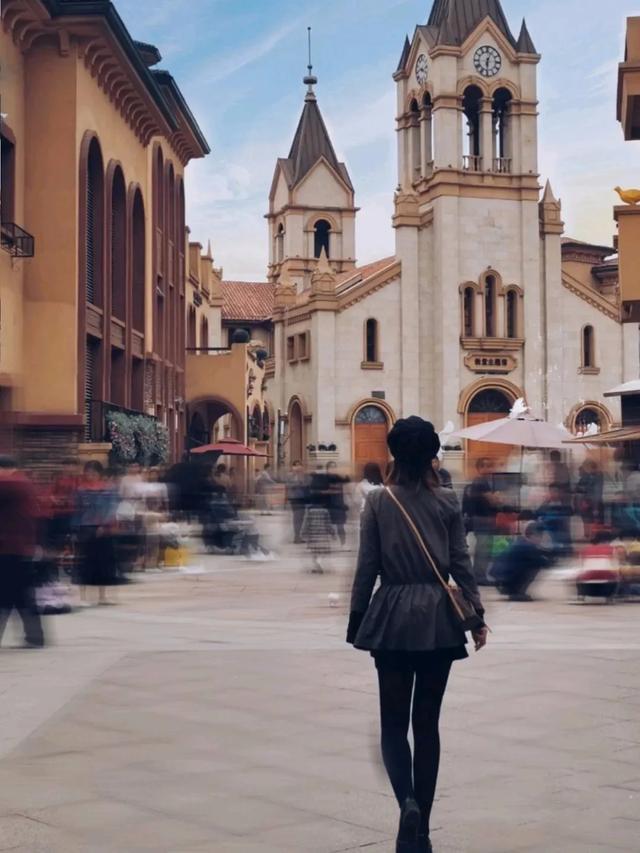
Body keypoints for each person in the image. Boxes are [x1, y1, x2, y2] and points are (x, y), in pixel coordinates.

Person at [347, 417, 486, 852]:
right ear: (432, 456)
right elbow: (460, 563)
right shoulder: (447, 501)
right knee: (427, 725)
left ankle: (405, 802)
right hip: (437, 622)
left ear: (393, 455)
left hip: (391, 616)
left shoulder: (379, 502)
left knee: (393, 725)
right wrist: (476, 615)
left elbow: (366, 566)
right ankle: (421, 828)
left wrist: (357, 618)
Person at [0, 456, 45, 648]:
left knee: (10, 595)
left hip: (9, 548)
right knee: (22, 596)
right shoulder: (25, 484)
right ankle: (35, 637)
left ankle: (35, 637)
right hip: (22, 547)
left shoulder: (9, 484)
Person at [491, 522, 551, 601]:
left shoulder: (521, 543)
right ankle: (516, 592)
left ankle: (516, 591)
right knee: (534, 566)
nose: (541, 539)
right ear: (533, 535)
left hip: (500, 579)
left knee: (531, 564)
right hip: (504, 581)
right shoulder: (527, 547)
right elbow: (543, 563)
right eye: (540, 536)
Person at [464, 457, 497, 585]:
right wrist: (498, 497)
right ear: (480, 468)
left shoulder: (484, 482)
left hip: (484, 518)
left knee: (485, 548)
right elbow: (493, 500)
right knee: (483, 549)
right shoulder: (481, 482)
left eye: (491, 465)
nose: (490, 469)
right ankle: (479, 576)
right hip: (483, 519)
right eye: (486, 466)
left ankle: (480, 574)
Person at [326, 460, 349, 546]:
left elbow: (346, 480)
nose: (333, 469)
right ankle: (331, 542)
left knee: (340, 526)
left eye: (334, 467)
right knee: (328, 526)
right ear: (327, 468)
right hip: (328, 505)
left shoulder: (338, 477)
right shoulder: (324, 478)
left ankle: (343, 543)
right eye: (331, 467)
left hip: (339, 505)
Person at [285, 461, 309, 543]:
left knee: (301, 517)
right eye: (296, 465)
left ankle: (298, 536)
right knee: (297, 517)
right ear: (292, 467)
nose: (298, 467)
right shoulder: (289, 475)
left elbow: (307, 485)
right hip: (294, 498)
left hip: (303, 498)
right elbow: (288, 486)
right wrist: (297, 483)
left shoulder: (304, 475)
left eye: (299, 465)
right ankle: (296, 536)